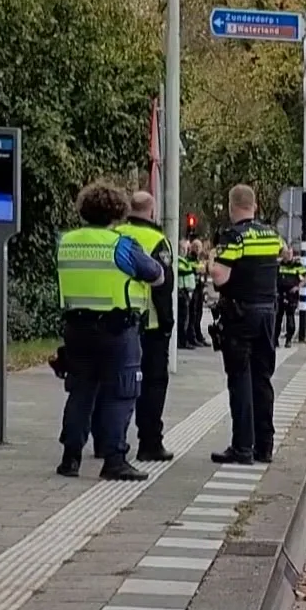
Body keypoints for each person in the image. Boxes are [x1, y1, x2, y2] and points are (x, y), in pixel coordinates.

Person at [55, 182, 164, 481]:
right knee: (121, 391)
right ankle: (114, 458)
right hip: (117, 330)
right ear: (117, 212)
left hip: (76, 327)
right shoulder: (121, 245)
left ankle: (70, 458)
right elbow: (156, 275)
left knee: (80, 391)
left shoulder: (66, 241)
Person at [210, 184, 283, 465]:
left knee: (240, 380)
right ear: (255, 205)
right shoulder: (270, 235)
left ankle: (242, 447)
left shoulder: (233, 236)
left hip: (241, 316)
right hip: (268, 315)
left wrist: (209, 265)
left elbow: (220, 277)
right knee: (262, 380)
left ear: (231, 206)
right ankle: (264, 446)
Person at [117, 191, 177, 462]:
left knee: (115, 382)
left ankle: (110, 439)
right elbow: (163, 287)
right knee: (153, 384)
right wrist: (167, 322)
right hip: (149, 325)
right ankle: (150, 442)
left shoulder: (115, 234)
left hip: (116, 321)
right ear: (152, 211)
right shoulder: (157, 240)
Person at [176, 239, 205, 349]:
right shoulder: (183, 261)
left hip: (194, 289)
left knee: (194, 314)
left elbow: (201, 269)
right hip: (184, 291)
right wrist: (199, 268)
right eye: (184, 248)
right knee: (186, 317)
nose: (186, 250)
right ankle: (185, 340)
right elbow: (193, 269)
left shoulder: (192, 260)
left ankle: (194, 336)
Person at [278, 246, 306, 347]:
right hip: (280, 294)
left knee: (290, 317)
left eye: (290, 253)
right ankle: (275, 339)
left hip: (292, 294)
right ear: (283, 254)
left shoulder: (296, 265)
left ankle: (288, 339)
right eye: (287, 253)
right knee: (278, 317)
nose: (289, 255)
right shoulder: (279, 264)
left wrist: (298, 286)